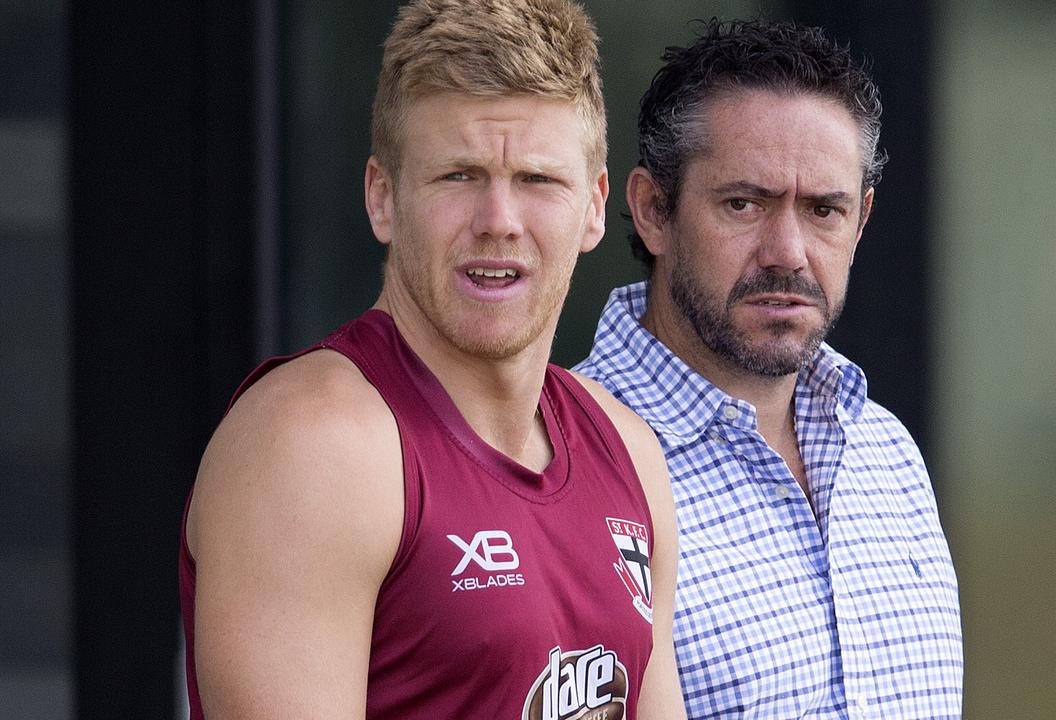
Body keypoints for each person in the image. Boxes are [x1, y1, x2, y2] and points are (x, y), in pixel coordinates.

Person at [178, 1, 686, 718]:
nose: (499, 221)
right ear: (382, 199)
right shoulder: (315, 443)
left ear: (596, 207)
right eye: (458, 176)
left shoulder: (628, 450)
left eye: (538, 180)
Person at [575, 18, 963, 719]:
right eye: (743, 203)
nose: (787, 251)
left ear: (862, 222)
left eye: (823, 210)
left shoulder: (886, 452)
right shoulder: (569, 463)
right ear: (653, 211)